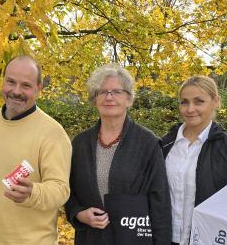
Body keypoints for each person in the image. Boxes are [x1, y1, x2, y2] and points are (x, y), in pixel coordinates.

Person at [0, 55, 72, 244]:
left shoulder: (53, 133)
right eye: (11, 82)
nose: (16, 91)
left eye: (26, 85)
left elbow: (60, 189)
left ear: (38, 89)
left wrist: (32, 193)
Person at [65, 64, 171, 244]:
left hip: (132, 238)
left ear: (129, 99)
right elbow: (67, 190)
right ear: (95, 98)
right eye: (102, 92)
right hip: (91, 238)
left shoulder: (148, 144)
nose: (109, 97)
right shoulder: (80, 143)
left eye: (116, 91)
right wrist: (79, 214)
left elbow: (159, 202)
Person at [161, 75, 227, 245]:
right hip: (166, 238)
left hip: (208, 239)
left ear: (215, 101)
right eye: (184, 102)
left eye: (199, 101)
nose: (190, 109)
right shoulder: (165, 145)